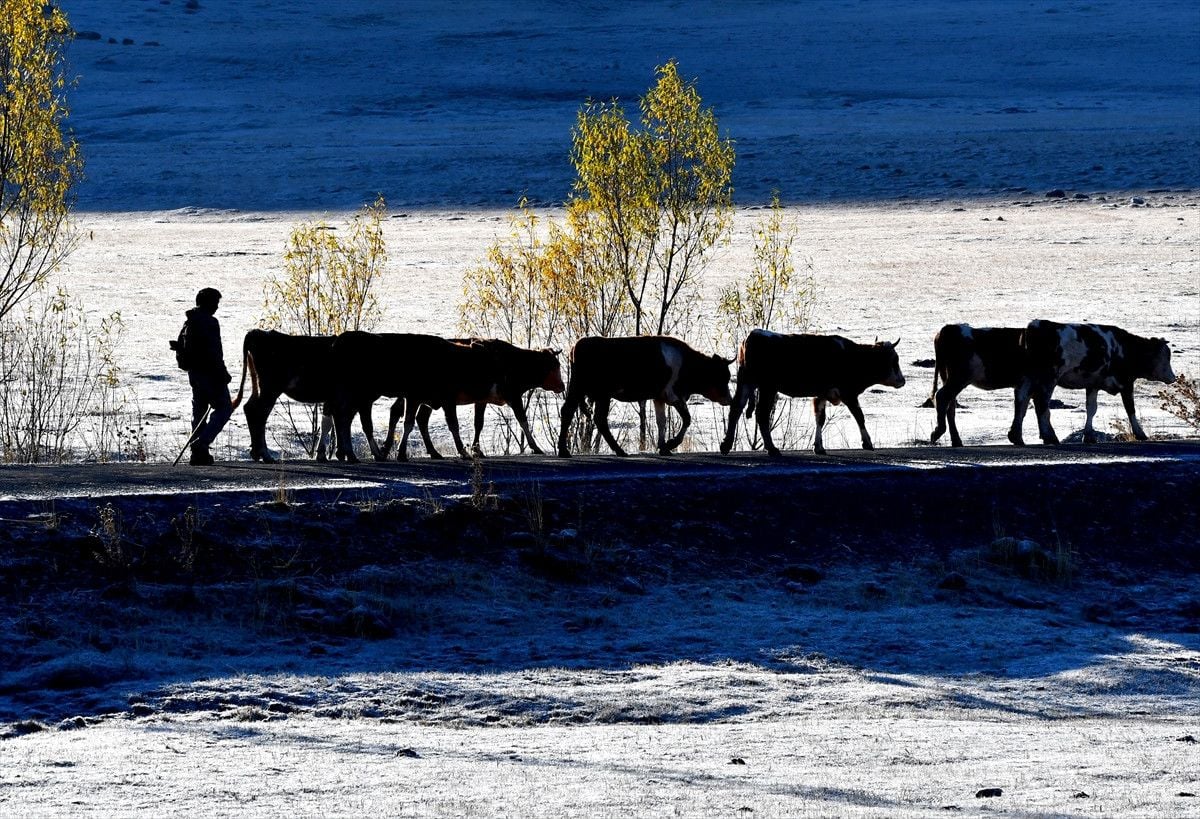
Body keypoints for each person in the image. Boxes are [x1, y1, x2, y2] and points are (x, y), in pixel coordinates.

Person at [183, 287, 233, 465]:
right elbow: (215, 352)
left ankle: (197, 455)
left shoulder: (190, 321)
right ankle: (201, 444)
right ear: (208, 303)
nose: (217, 307)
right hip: (211, 375)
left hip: (194, 374)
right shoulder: (210, 322)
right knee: (225, 408)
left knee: (199, 413)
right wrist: (223, 373)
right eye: (215, 303)